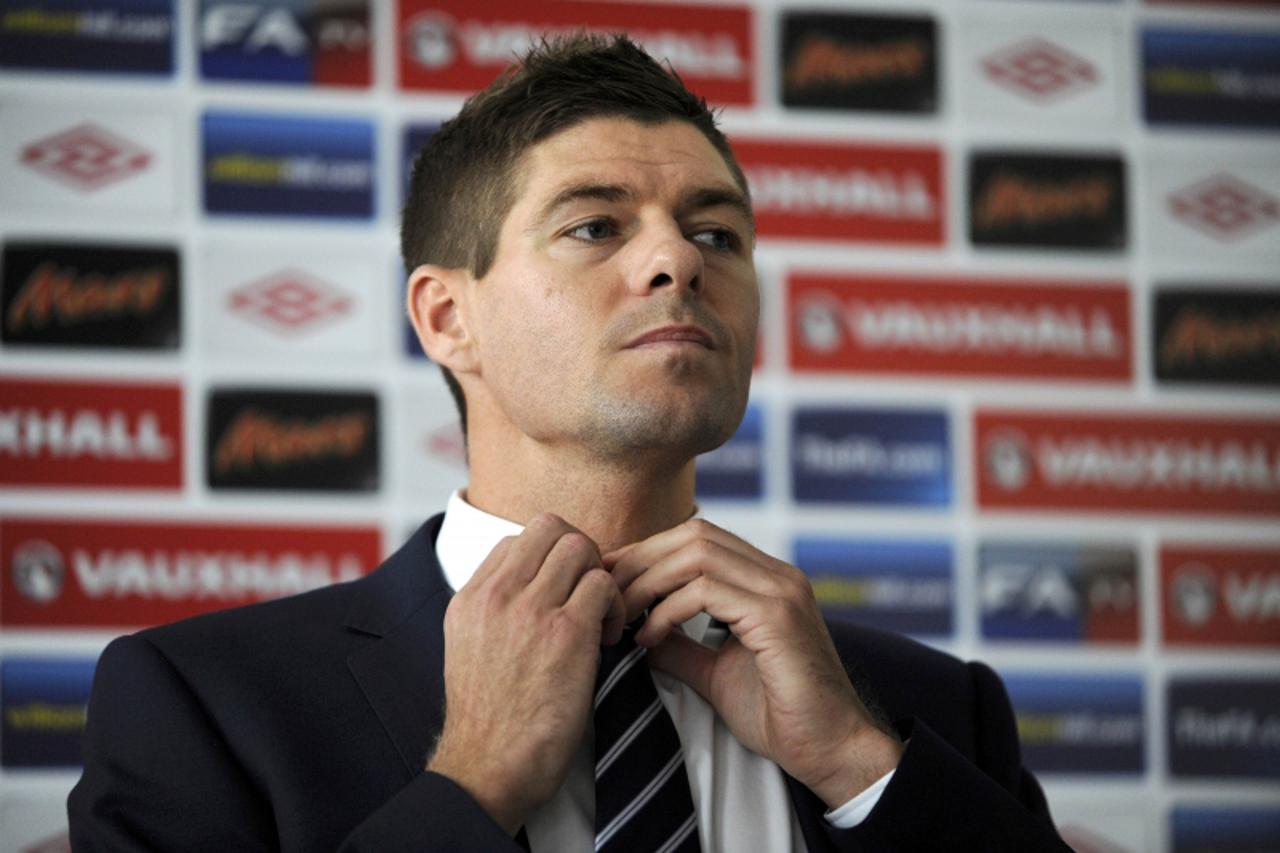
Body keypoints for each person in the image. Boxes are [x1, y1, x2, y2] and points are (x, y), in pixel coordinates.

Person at [69, 35, 1070, 852]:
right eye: (595, 227)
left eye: (716, 234)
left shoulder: (931, 712)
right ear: (446, 317)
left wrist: (859, 768)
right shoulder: (203, 705)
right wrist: (471, 782)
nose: (677, 258)